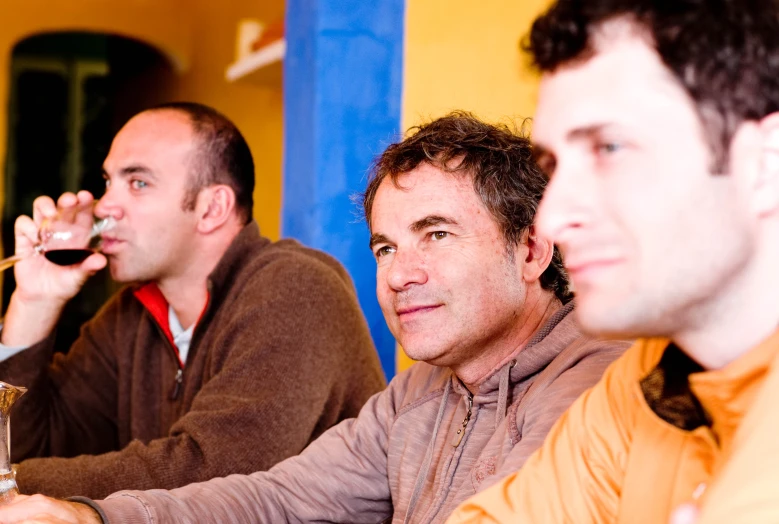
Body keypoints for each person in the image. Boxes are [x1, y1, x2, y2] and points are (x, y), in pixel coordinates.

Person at [0, 112, 628, 523]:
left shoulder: (597, 385)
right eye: (385, 247)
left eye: (435, 234)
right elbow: (279, 495)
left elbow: (215, 467)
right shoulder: (419, 390)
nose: (398, 274)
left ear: (532, 249)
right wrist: (91, 516)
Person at [447, 1, 779, 523]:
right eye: (554, 166)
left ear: (766, 163)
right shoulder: (653, 376)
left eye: (610, 148)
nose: (552, 218)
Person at [0, 102, 386, 500]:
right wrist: (34, 302)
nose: (104, 205)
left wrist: (11, 482)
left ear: (210, 209)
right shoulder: (130, 314)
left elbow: (209, 474)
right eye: (108, 181)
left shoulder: (298, 289)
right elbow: (23, 446)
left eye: (138, 183)